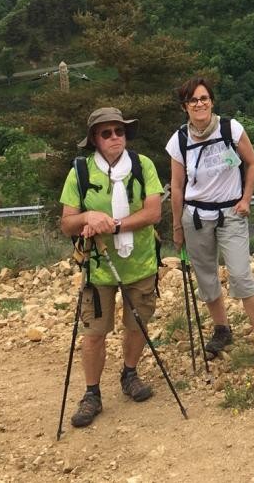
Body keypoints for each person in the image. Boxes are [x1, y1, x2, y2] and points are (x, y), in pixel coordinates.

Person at [59, 107, 163, 429]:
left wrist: (114, 225)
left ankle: (129, 373)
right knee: (94, 334)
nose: (115, 137)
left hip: (141, 263)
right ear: (94, 139)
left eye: (120, 131)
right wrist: (88, 218)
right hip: (99, 267)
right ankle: (92, 393)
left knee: (137, 325)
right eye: (107, 133)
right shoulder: (80, 172)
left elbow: (153, 213)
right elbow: (67, 223)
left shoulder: (143, 165)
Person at [167, 77, 254, 363]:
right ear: (185, 107)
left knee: (240, 274)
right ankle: (222, 329)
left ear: (211, 102)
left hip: (230, 213)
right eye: (193, 100)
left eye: (204, 98)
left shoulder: (231, 128)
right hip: (195, 216)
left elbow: (252, 162)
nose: (200, 104)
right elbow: (176, 186)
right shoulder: (179, 140)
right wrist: (177, 225)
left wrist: (246, 199)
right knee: (206, 278)